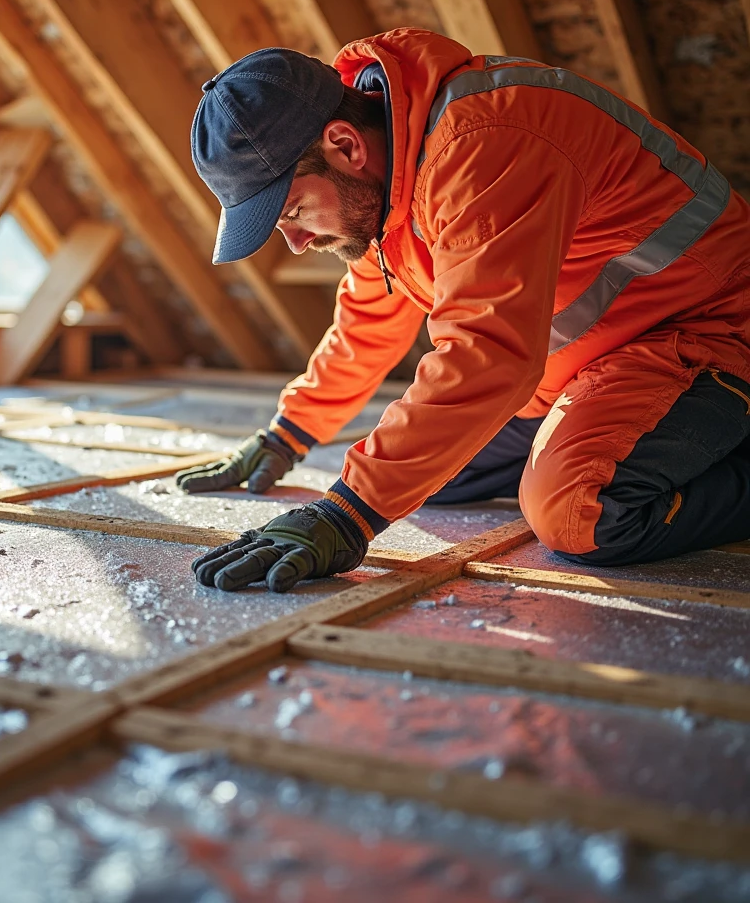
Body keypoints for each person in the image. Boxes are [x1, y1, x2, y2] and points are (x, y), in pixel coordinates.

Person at [177, 29, 750, 593]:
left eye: (294, 212)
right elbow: (369, 319)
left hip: (704, 332)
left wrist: (346, 516)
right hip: (587, 362)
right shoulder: (385, 175)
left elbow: (487, 350)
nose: (298, 243)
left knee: (575, 512)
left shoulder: (483, 146)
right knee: (434, 477)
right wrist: (288, 433)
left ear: (345, 145)